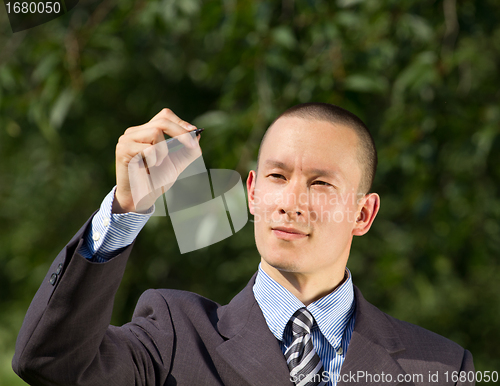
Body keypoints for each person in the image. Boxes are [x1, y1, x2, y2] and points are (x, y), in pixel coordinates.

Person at [13, 103, 474, 386]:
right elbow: (52, 365)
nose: (291, 202)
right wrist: (126, 208)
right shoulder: (175, 337)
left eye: (320, 184)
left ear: (363, 214)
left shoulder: (440, 369)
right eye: (277, 176)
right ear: (253, 193)